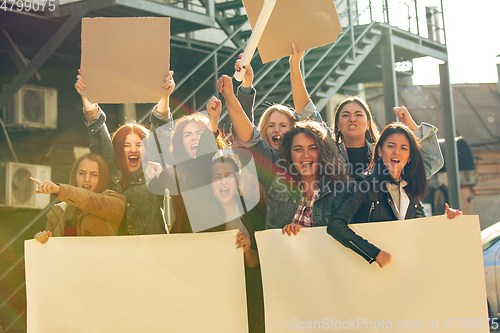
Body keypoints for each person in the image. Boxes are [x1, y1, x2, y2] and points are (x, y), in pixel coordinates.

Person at [218, 74, 348, 234]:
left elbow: (343, 230)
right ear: (289, 152)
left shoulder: (337, 186)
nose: (306, 154)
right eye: (298, 149)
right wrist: (230, 96)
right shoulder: (276, 173)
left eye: (312, 148)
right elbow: (248, 138)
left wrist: (294, 64)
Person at [326, 123, 462, 268]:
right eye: (391, 146)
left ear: (409, 157)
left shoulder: (411, 190)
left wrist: (447, 220)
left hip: (403, 270)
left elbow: (423, 231)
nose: (397, 152)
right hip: (367, 272)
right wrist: (374, 254)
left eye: (404, 148)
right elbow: (335, 225)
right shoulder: (365, 184)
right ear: (379, 151)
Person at [75, 70, 175, 235]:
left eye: (139, 145)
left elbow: (161, 133)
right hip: (118, 254)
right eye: (127, 145)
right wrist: (87, 97)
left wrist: (165, 97)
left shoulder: (152, 172)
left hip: (153, 253)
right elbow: (98, 133)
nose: (133, 149)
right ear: (118, 150)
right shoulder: (109, 169)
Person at [333, 96, 443, 178]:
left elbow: (432, 162)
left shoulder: (386, 152)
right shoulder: (328, 155)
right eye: (346, 115)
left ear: (368, 124)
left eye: (358, 114)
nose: (352, 119)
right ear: (337, 125)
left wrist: (412, 128)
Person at [33, 153, 125, 243]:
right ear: (75, 175)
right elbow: (50, 252)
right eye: (82, 173)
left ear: (103, 178)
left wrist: (59, 189)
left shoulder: (114, 202)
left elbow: (90, 200)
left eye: (94, 174)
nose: (86, 179)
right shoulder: (59, 210)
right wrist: (43, 238)